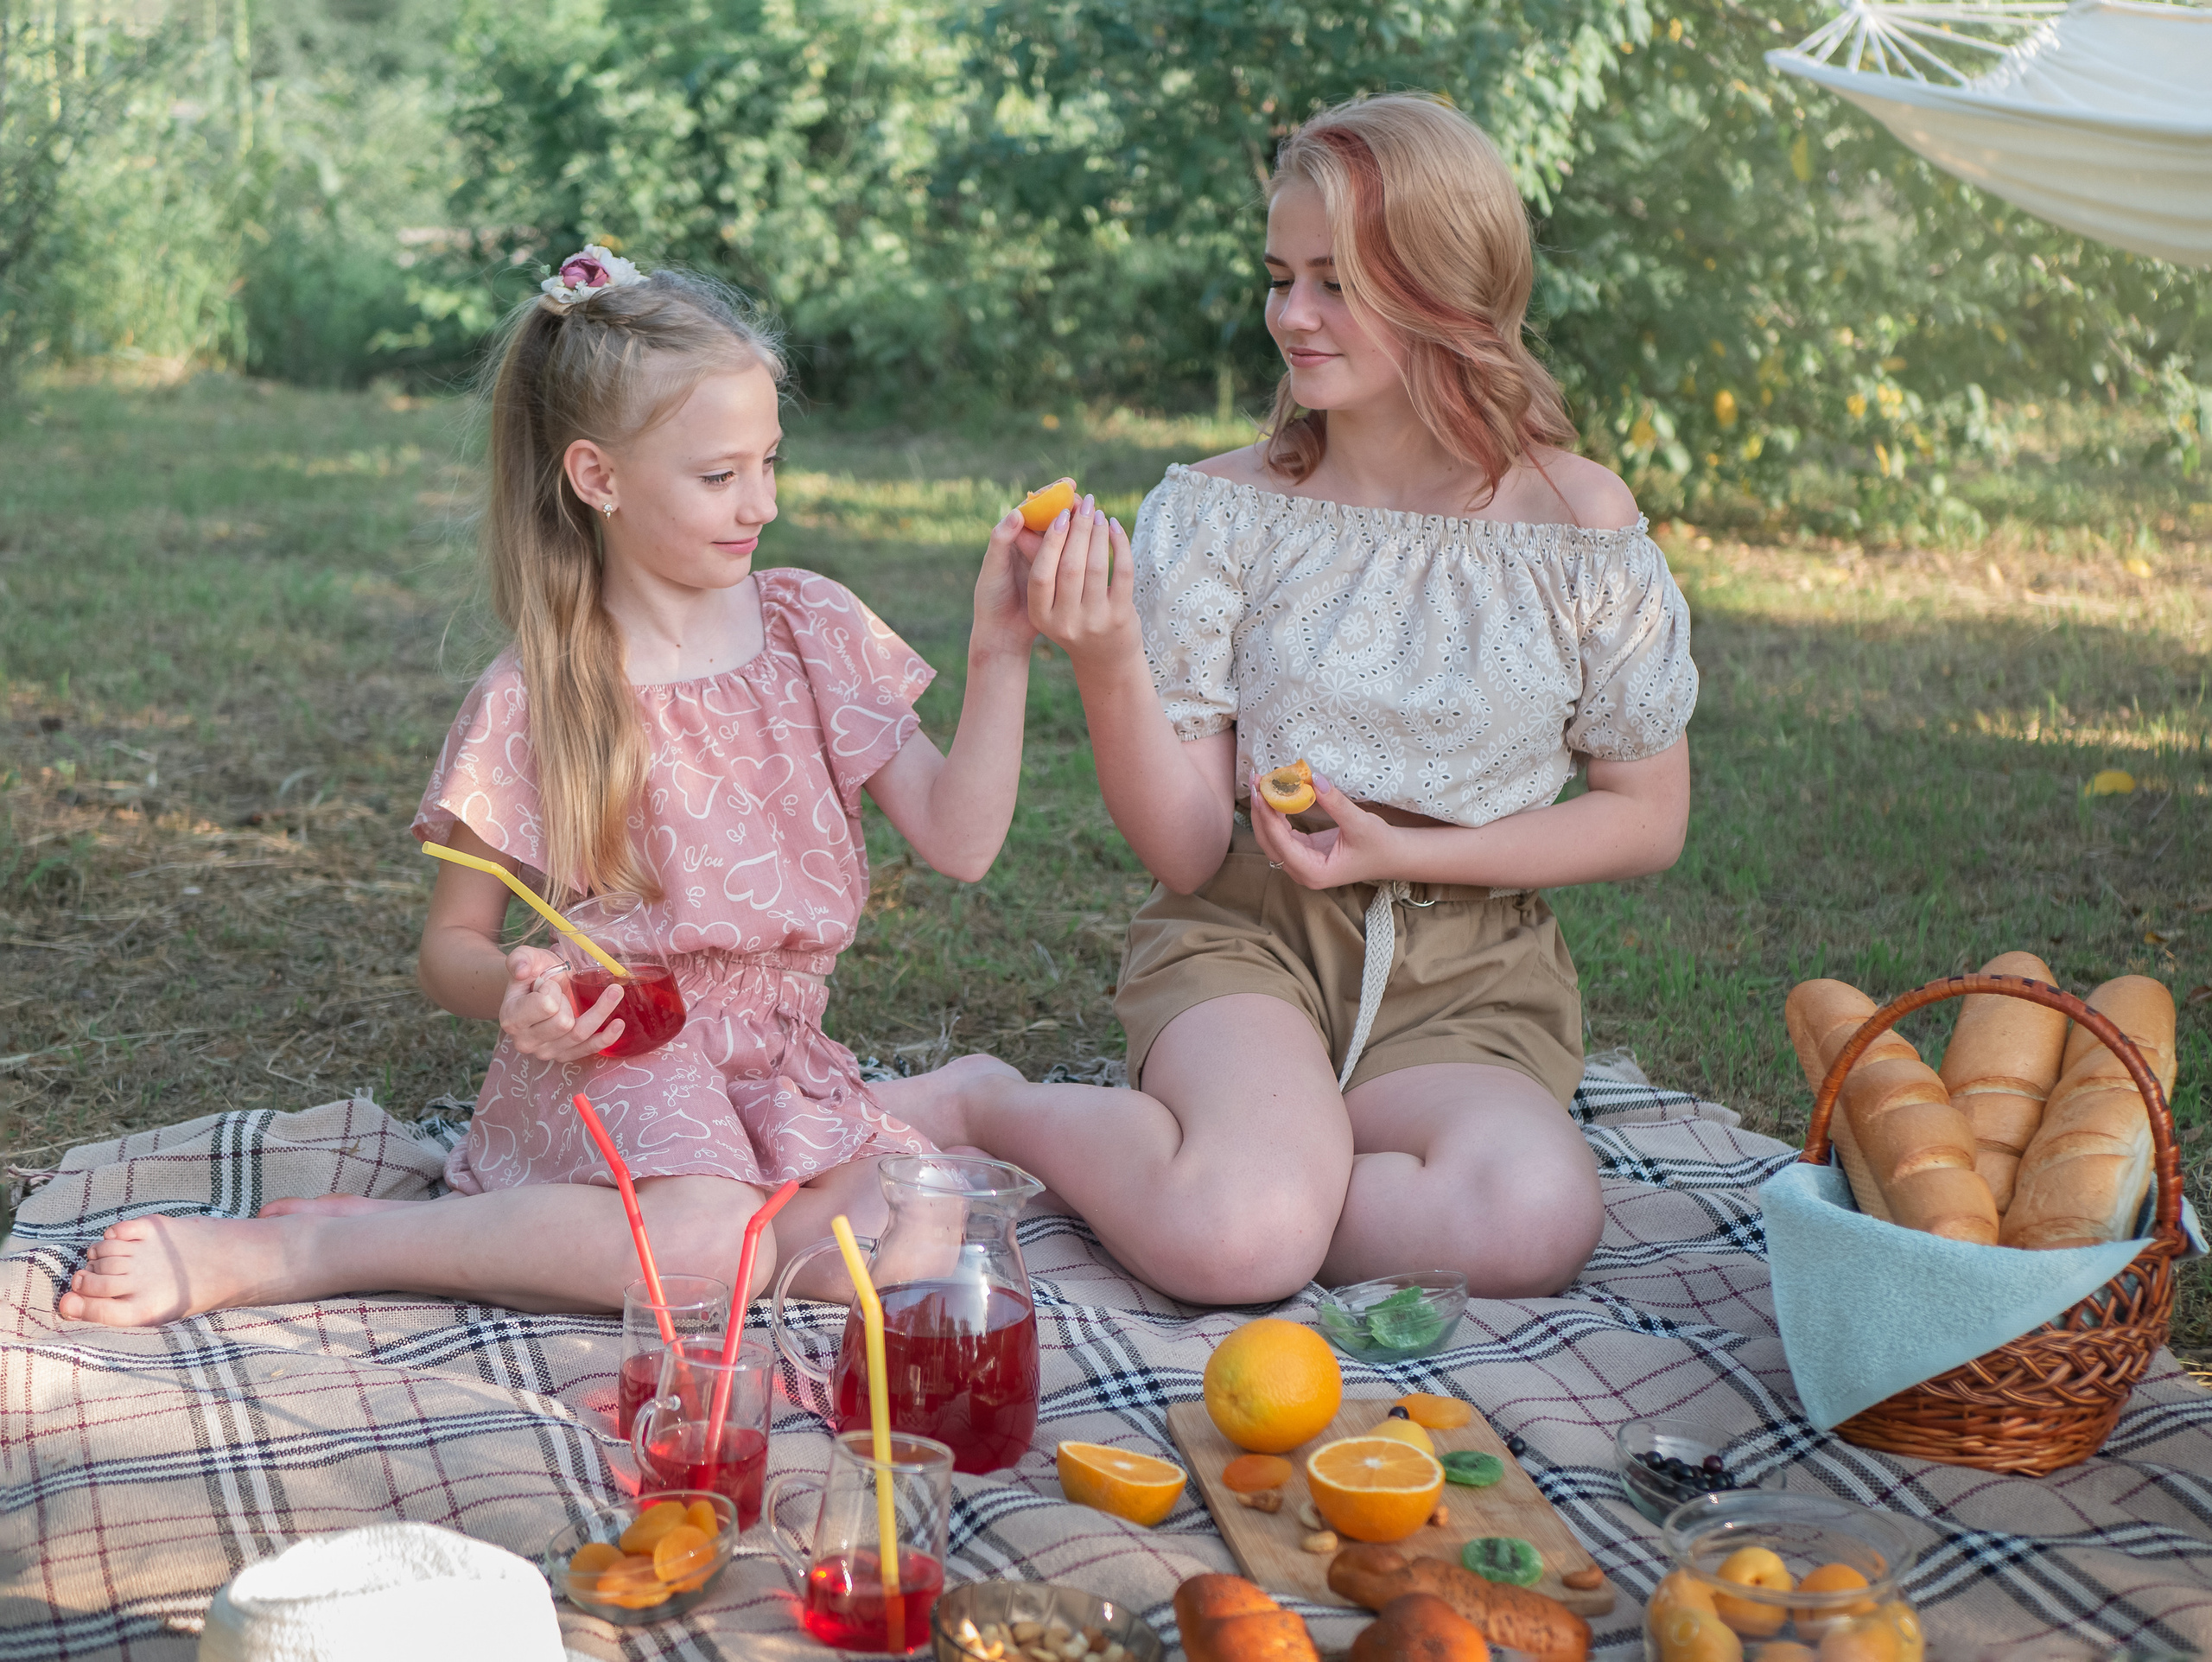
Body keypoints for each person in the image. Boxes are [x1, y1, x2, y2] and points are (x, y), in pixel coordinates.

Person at [59, 252, 1046, 1327]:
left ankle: (631, 1241)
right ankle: (319, 1249)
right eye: (719, 476)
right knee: (712, 1251)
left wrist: (1002, 650)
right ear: (598, 478)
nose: (759, 501)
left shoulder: (811, 626)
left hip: (775, 1064)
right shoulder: (543, 690)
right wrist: (520, 994)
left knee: (920, 1223)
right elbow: (452, 950)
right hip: (619, 1056)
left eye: (769, 461)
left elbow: (961, 841)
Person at [899, 94, 1697, 1307]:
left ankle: (1251, 1162)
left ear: (1447, 287)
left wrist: (1419, 847)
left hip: (1468, 977)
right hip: (1247, 938)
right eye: (1281, 276)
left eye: (1336, 281)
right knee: (1238, 1246)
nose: (1291, 315)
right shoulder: (1223, 513)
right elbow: (1182, 844)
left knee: (1531, 1218)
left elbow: (1647, 814)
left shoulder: (1580, 529)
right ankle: (989, 1102)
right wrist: (1111, 654)